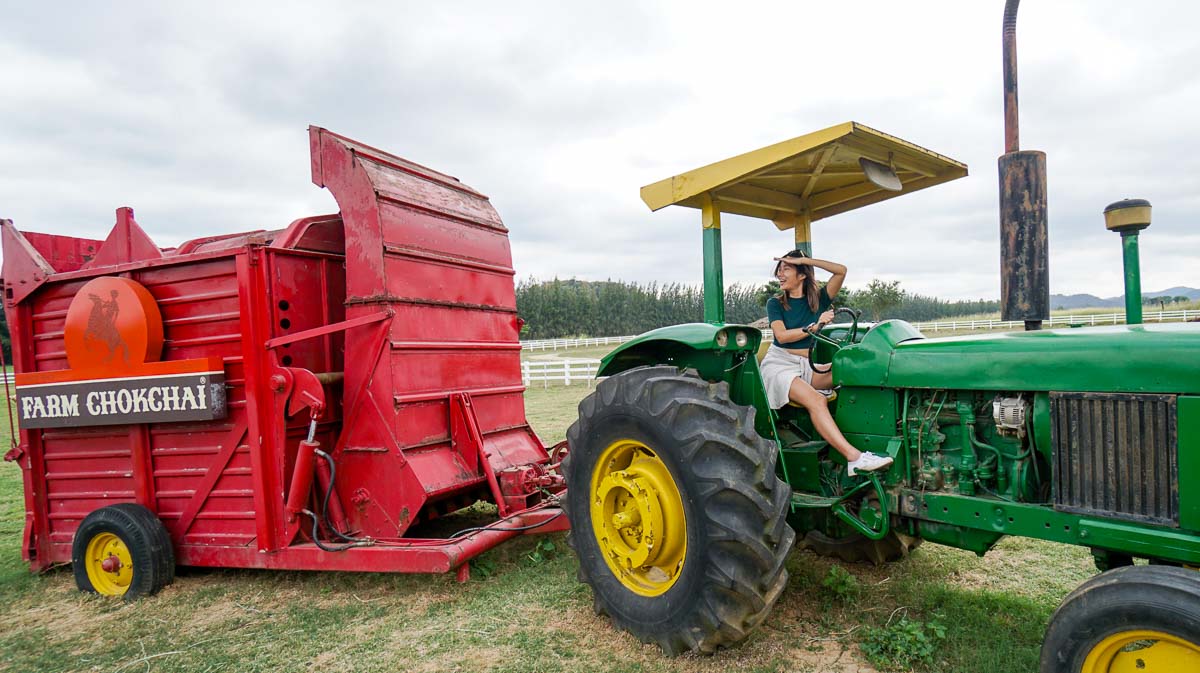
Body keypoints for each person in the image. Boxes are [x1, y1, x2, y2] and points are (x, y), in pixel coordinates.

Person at [761, 249, 894, 475]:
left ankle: (876, 441)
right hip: (779, 365)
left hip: (805, 366)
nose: (780, 275)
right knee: (816, 401)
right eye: (779, 270)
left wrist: (803, 260)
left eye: (786, 269)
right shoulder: (775, 304)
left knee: (847, 372)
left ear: (802, 274)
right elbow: (782, 337)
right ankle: (854, 458)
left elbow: (841, 271)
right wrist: (814, 327)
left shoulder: (819, 299)